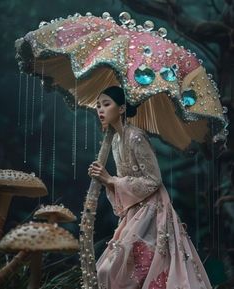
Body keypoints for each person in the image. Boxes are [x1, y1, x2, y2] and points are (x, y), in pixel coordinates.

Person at [88, 86, 212, 289]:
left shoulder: (136, 136)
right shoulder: (116, 141)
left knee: (135, 269)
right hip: (135, 209)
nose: (100, 110)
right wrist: (106, 181)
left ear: (121, 109)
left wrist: (111, 181)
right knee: (113, 270)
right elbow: (122, 180)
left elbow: (154, 180)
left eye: (106, 104)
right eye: (98, 106)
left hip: (153, 211)